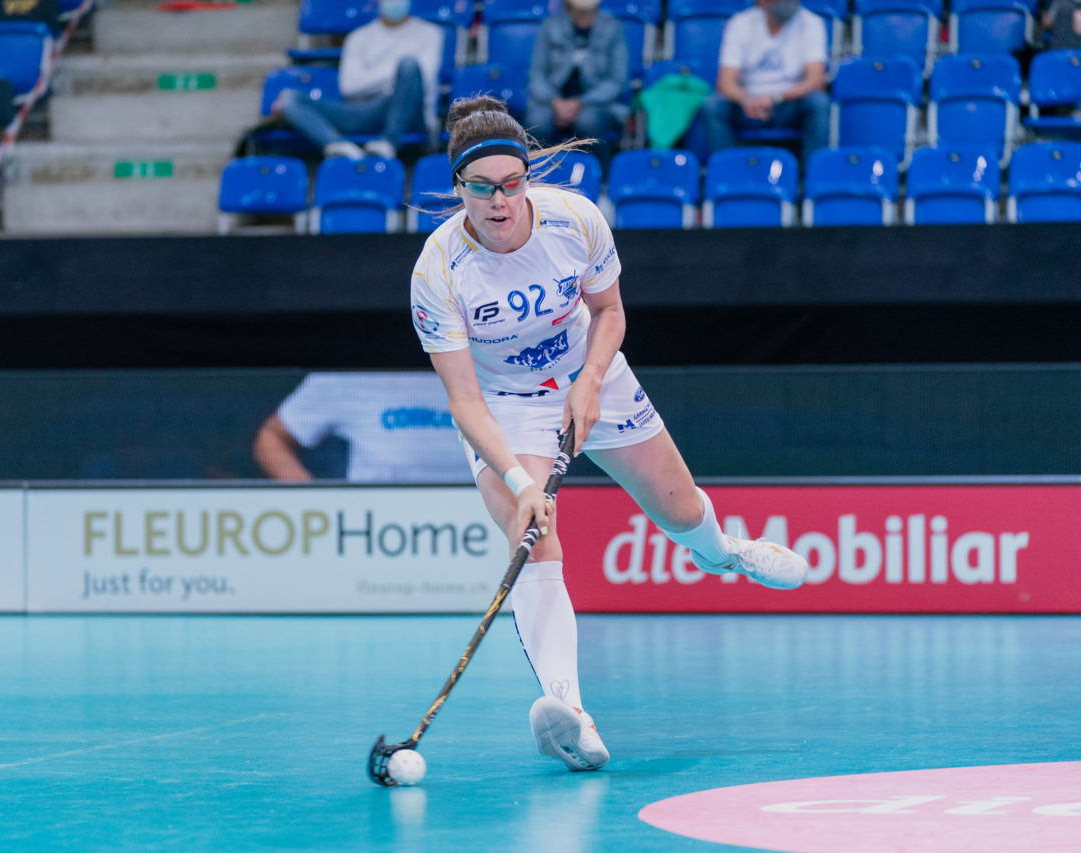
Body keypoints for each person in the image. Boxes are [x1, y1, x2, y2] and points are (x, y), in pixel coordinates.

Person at [409, 95, 809, 773]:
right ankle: (567, 706)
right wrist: (518, 482)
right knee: (532, 532)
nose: (500, 202)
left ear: (527, 177)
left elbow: (610, 310)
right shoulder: (437, 272)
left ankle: (723, 554)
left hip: (590, 374)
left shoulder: (574, 219)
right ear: (460, 188)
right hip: (505, 406)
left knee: (679, 509)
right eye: (483, 188)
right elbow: (464, 398)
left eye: (512, 184)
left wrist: (590, 379)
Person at [271, 0, 444, 161]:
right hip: (366, 110)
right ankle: (338, 145)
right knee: (289, 98)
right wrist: (397, 76)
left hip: (412, 113)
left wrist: (391, 75)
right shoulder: (358, 37)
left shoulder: (430, 33)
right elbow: (350, 87)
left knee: (409, 66)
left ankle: (389, 141)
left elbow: (422, 78)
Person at [252, 371, 471, 482]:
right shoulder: (351, 374)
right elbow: (272, 438)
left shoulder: (493, 365)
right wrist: (314, 502)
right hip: (380, 537)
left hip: (482, 535)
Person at [699, 0, 830, 163]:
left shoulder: (812, 23)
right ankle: (727, 171)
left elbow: (815, 81)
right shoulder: (740, 23)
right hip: (747, 104)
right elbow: (725, 82)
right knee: (712, 106)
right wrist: (745, 99)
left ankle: (810, 178)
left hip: (788, 103)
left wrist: (775, 96)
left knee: (819, 102)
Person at [525, 0, 629, 165]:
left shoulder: (613, 28)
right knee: (537, 121)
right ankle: (537, 176)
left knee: (588, 122)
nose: (584, 16)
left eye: (589, 11)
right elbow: (537, 74)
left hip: (596, 103)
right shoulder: (550, 27)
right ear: (568, 8)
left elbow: (617, 81)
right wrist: (555, 101)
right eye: (579, 11)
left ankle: (599, 177)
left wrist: (580, 102)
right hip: (552, 101)